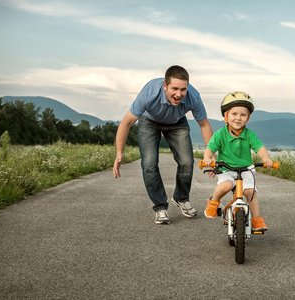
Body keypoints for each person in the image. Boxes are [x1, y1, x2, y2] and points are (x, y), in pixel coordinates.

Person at [113, 65, 213, 225]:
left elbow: (204, 125)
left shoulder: (193, 96)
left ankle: (181, 198)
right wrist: (119, 152)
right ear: (165, 86)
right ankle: (160, 207)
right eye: (174, 88)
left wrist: (210, 154)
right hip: (149, 121)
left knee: (187, 162)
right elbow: (126, 122)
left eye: (183, 89)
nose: (179, 94)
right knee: (149, 164)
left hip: (177, 122)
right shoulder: (149, 93)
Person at [202, 91, 272, 231]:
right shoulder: (220, 134)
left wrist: (266, 158)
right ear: (226, 116)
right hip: (226, 168)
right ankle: (213, 202)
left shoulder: (250, 135)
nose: (238, 118)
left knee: (250, 192)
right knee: (226, 186)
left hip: (246, 169)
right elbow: (210, 149)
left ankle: (257, 220)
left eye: (243, 115)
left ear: (248, 118)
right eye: (234, 114)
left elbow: (260, 148)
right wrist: (207, 159)